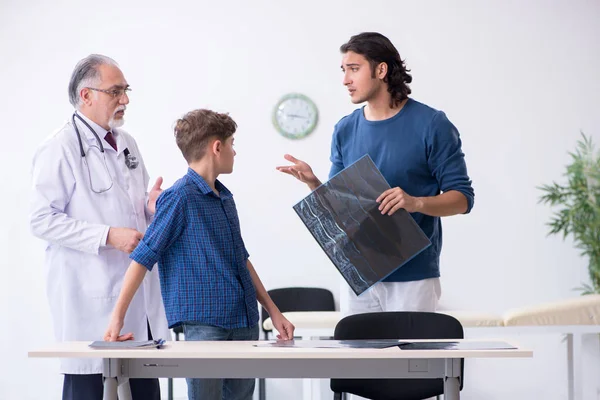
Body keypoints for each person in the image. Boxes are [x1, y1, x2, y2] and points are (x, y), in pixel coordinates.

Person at [277, 32, 475, 316]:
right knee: (359, 360)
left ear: (381, 70)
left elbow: (463, 199)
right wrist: (314, 183)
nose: (346, 79)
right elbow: (341, 207)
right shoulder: (344, 129)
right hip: (358, 275)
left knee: (413, 360)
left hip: (413, 277)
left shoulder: (432, 124)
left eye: (354, 69)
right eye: (344, 71)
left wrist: (416, 202)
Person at [104, 109, 295, 400]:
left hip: (244, 321)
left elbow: (241, 259)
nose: (234, 151)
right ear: (216, 147)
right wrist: (117, 318)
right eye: (232, 143)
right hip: (206, 325)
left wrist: (273, 310)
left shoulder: (225, 198)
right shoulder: (178, 197)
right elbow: (143, 257)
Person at [30, 54, 169, 400]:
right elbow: (41, 219)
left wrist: (150, 206)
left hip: (135, 296)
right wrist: (108, 236)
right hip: (91, 298)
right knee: (88, 389)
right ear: (86, 96)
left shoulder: (127, 143)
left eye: (126, 91)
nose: (125, 99)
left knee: (144, 388)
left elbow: (132, 207)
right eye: (115, 91)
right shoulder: (59, 147)